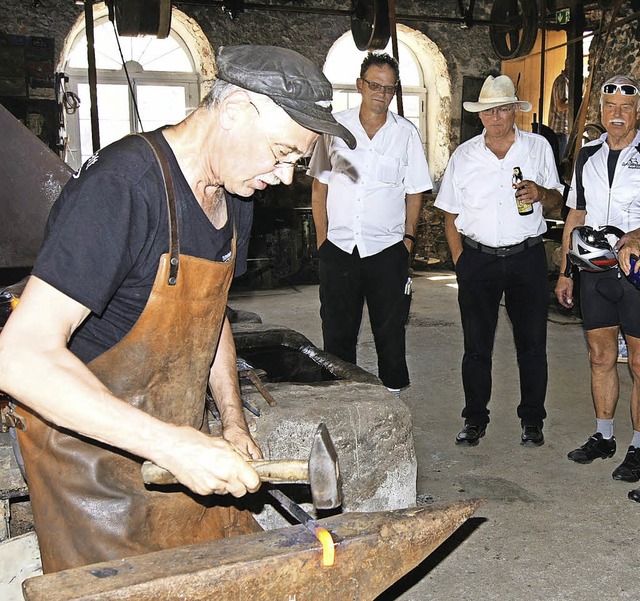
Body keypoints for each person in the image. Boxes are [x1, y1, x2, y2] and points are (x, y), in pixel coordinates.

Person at [0, 44, 356, 573]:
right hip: (88, 466)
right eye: (281, 153)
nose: (284, 177)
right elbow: (20, 358)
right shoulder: (122, 188)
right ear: (234, 111)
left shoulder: (235, 196)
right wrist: (172, 446)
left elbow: (209, 318)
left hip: (176, 447)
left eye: (297, 163)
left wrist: (232, 422)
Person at [435, 74, 563, 447]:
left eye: (503, 109)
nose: (496, 116)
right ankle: (474, 419)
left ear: (514, 112)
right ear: (481, 116)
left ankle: (532, 421)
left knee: (532, 344)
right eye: (489, 110)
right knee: (477, 346)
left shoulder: (537, 148)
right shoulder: (465, 155)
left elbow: (558, 200)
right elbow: (449, 213)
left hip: (527, 257)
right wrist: (461, 261)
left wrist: (541, 193)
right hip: (479, 259)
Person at [307, 52, 432, 397]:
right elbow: (320, 187)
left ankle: (393, 400)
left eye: (389, 88)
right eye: (375, 85)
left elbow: (415, 192)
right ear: (361, 85)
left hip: (387, 250)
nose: (381, 93)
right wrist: (323, 243)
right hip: (339, 249)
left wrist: (407, 240)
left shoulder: (405, 134)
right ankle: (340, 398)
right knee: (337, 332)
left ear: (394, 92)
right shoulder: (334, 129)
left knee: (390, 331)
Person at [555, 74, 640, 490]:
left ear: (636, 110)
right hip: (593, 272)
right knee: (600, 358)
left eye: (626, 107)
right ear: (601, 112)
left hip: (636, 274)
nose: (617, 115)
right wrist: (565, 271)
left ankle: (639, 447)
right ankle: (604, 437)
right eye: (610, 107)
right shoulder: (586, 155)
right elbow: (576, 214)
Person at [549, 59, 570, 159]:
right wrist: (578, 104)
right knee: (561, 165)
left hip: (564, 131)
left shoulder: (568, 82)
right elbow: (560, 106)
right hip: (560, 131)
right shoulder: (562, 82)